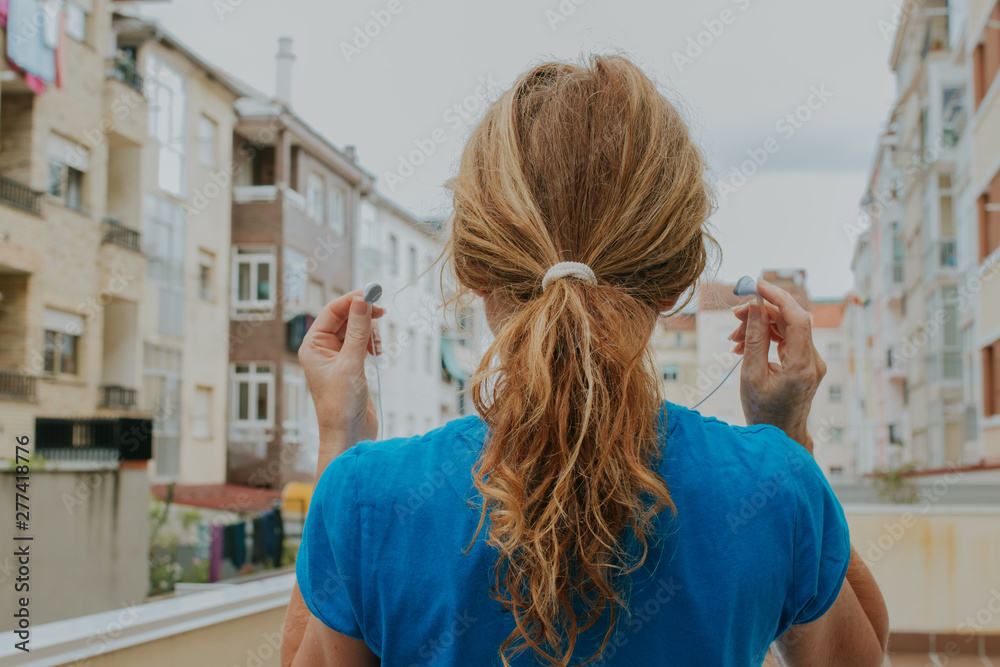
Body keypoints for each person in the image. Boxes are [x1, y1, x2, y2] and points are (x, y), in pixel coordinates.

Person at [281, 55, 888, 667]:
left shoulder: (366, 498)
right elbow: (862, 652)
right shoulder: (771, 487)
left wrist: (339, 438)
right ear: (675, 277)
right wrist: (786, 435)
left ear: (472, 269)